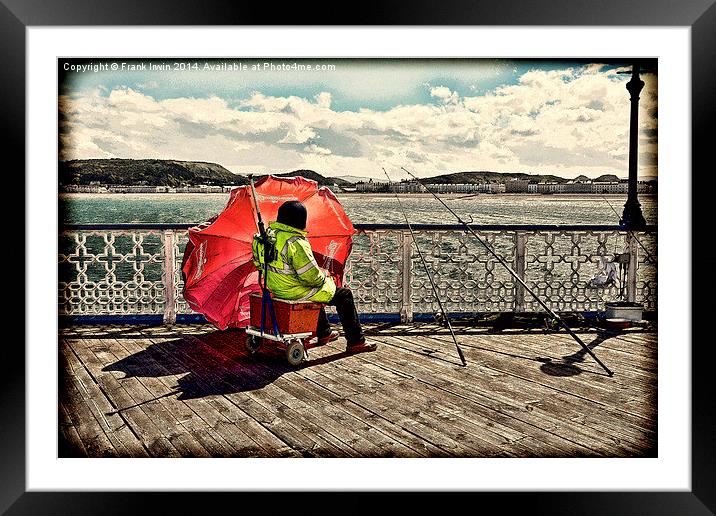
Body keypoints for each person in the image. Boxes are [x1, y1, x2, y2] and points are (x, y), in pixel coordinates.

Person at [252, 200, 376, 353]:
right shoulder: (295, 242)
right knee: (343, 294)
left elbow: (259, 265)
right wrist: (325, 276)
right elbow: (311, 277)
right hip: (295, 291)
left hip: (276, 288)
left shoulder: (265, 238)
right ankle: (356, 342)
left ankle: (324, 332)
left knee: (320, 291)